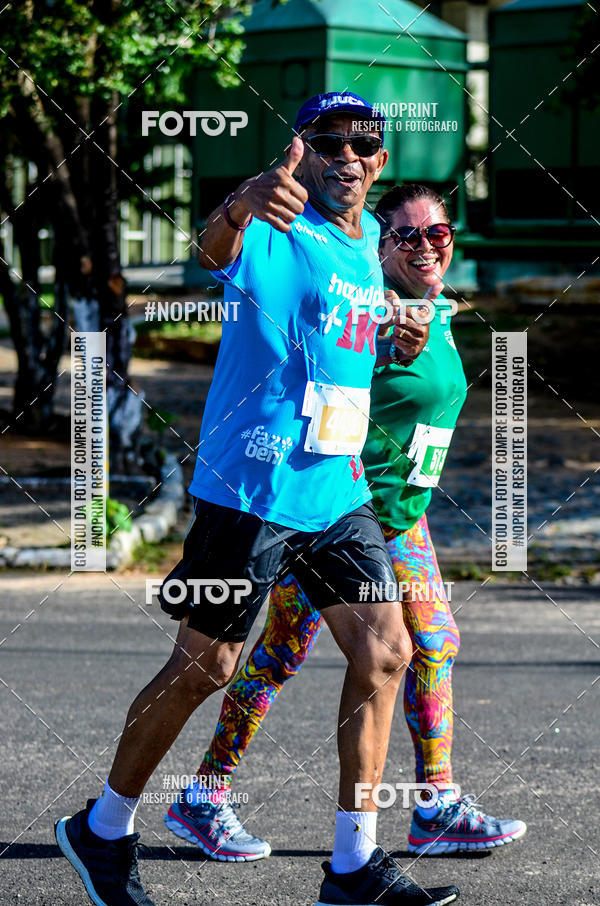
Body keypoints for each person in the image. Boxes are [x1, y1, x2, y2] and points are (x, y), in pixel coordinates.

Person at [55, 93, 459, 906]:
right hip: (254, 486)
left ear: (379, 163)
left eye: (363, 144)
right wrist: (238, 202)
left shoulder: (359, 255)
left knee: (387, 653)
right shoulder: (277, 224)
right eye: (329, 141)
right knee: (208, 666)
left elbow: (342, 341)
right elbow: (214, 249)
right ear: (303, 152)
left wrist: (393, 333)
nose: (346, 154)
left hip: (336, 490)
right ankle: (102, 828)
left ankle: (351, 866)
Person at [163, 184, 527, 864]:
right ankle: (202, 795)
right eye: (408, 236)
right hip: (339, 515)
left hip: (401, 518)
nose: (426, 247)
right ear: (379, 245)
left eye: (438, 234)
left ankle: (435, 806)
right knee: (275, 654)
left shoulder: (439, 310)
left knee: (432, 644)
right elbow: (320, 369)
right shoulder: (369, 313)